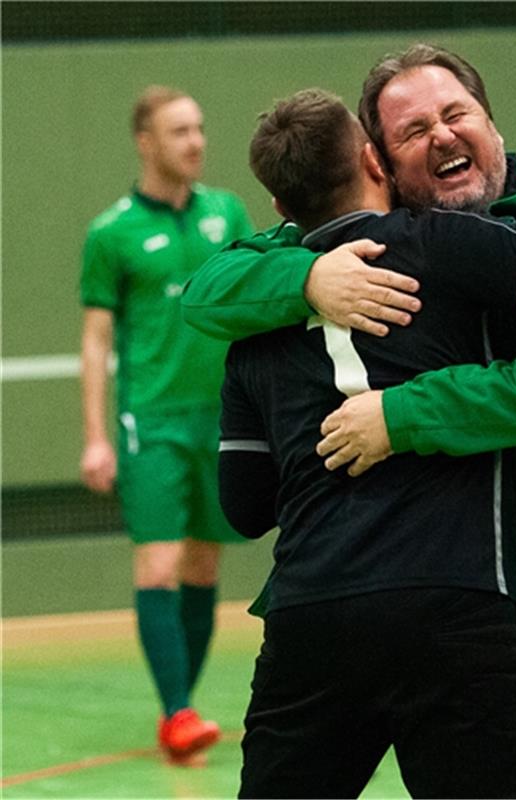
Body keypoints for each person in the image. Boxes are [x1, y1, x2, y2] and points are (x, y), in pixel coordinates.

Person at [185, 44, 516, 798]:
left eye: (456, 115)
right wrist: (308, 275)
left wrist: (400, 413)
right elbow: (208, 288)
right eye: (414, 131)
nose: (442, 136)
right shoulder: (384, 246)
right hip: (473, 615)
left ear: (493, 124)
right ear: (377, 161)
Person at [79, 86, 254, 762]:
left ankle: (182, 700)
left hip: (220, 416)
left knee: (204, 561)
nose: (196, 142)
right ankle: (178, 712)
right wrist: (97, 435)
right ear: (145, 142)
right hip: (149, 419)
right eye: (179, 131)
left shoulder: (227, 213)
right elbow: (96, 340)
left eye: (200, 128)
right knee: (158, 562)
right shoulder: (111, 232)